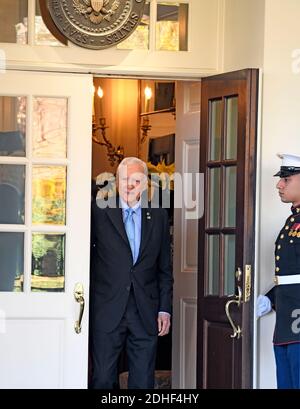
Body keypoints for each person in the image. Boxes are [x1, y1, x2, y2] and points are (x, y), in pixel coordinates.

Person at [90, 157, 173, 389]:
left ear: (145, 184)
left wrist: (164, 309)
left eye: (135, 180)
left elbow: (164, 269)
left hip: (145, 310)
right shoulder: (99, 212)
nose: (129, 185)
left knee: (143, 381)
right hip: (107, 308)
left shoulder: (158, 216)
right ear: (116, 182)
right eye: (124, 179)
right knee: (103, 378)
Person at [257, 153, 300, 389]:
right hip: (287, 318)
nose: (279, 184)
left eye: (287, 178)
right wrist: (270, 298)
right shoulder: (291, 221)